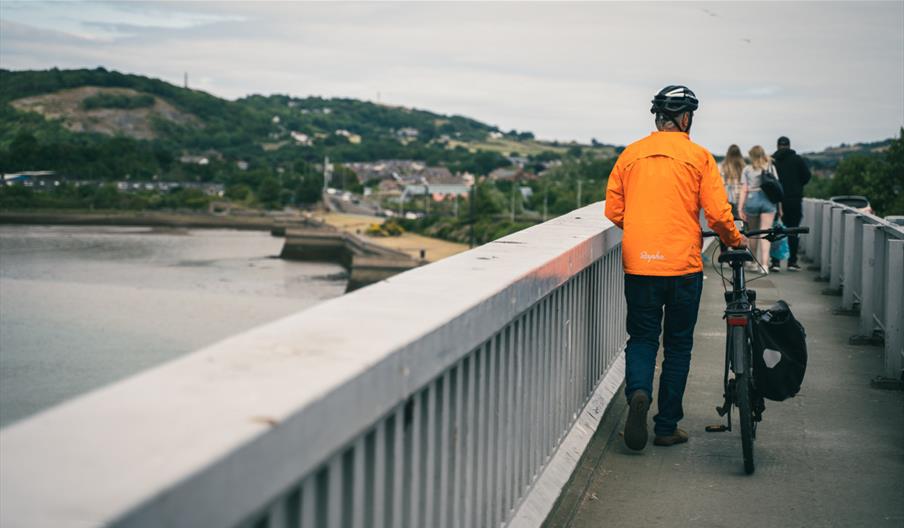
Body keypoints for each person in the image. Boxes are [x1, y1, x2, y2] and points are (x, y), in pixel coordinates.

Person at [605, 85, 746, 451]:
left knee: (642, 338)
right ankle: (666, 426)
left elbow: (613, 210)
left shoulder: (630, 155)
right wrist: (735, 240)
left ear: (657, 117)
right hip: (682, 266)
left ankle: (638, 392)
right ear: (685, 119)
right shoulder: (699, 157)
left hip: (640, 265)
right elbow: (716, 214)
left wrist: (642, 232)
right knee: (679, 346)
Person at [771, 136, 811, 271]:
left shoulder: (773, 160)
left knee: (775, 231)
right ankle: (792, 261)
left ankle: (775, 262)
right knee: (793, 229)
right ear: (789, 145)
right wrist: (797, 186)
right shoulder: (797, 160)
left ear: (777, 146)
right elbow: (807, 176)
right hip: (794, 199)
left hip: (777, 201)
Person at [737, 145, 777, 273]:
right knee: (766, 233)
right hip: (768, 201)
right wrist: (780, 208)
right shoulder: (770, 167)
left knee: (753, 234)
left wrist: (740, 208)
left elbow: (744, 190)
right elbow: (777, 188)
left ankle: (752, 262)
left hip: (752, 199)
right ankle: (764, 265)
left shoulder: (747, 169)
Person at [720, 144, 745, 218]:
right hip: (741, 198)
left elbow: (721, 184)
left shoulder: (722, 167)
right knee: (742, 222)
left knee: (729, 222)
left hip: (727, 199)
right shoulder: (744, 167)